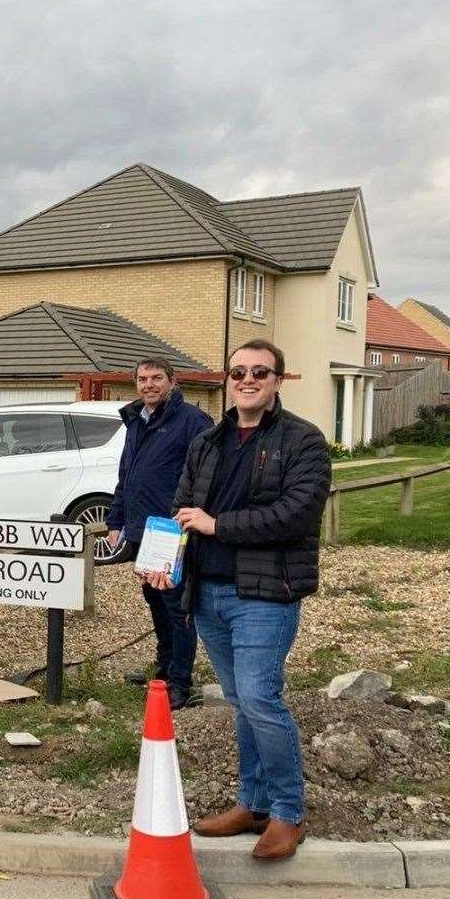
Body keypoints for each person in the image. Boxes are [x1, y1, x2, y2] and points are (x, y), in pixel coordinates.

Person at [145, 339, 331, 861]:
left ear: (277, 381)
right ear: (228, 379)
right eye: (238, 372)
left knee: (260, 699)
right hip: (209, 594)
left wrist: (217, 524)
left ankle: (288, 813)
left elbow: (297, 514)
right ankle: (252, 803)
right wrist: (166, 563)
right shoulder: (208, 441)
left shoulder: (303, 441)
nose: (247, 380)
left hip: (265, 595)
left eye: (259, 373)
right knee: (240, 702)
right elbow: (183, 508)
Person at [104, 357, 212, 710]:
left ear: (172, 381)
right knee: (154, 599)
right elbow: (127, 477)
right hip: (142, 531)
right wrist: (116, 522)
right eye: (142, 379)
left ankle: (180, 681)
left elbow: (205, 478)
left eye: (156, 378)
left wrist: (188, 519)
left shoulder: (191, 421)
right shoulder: (137, 420)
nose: (148, 384)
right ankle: (164, 667)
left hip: (171, 532)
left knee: (176, 604)